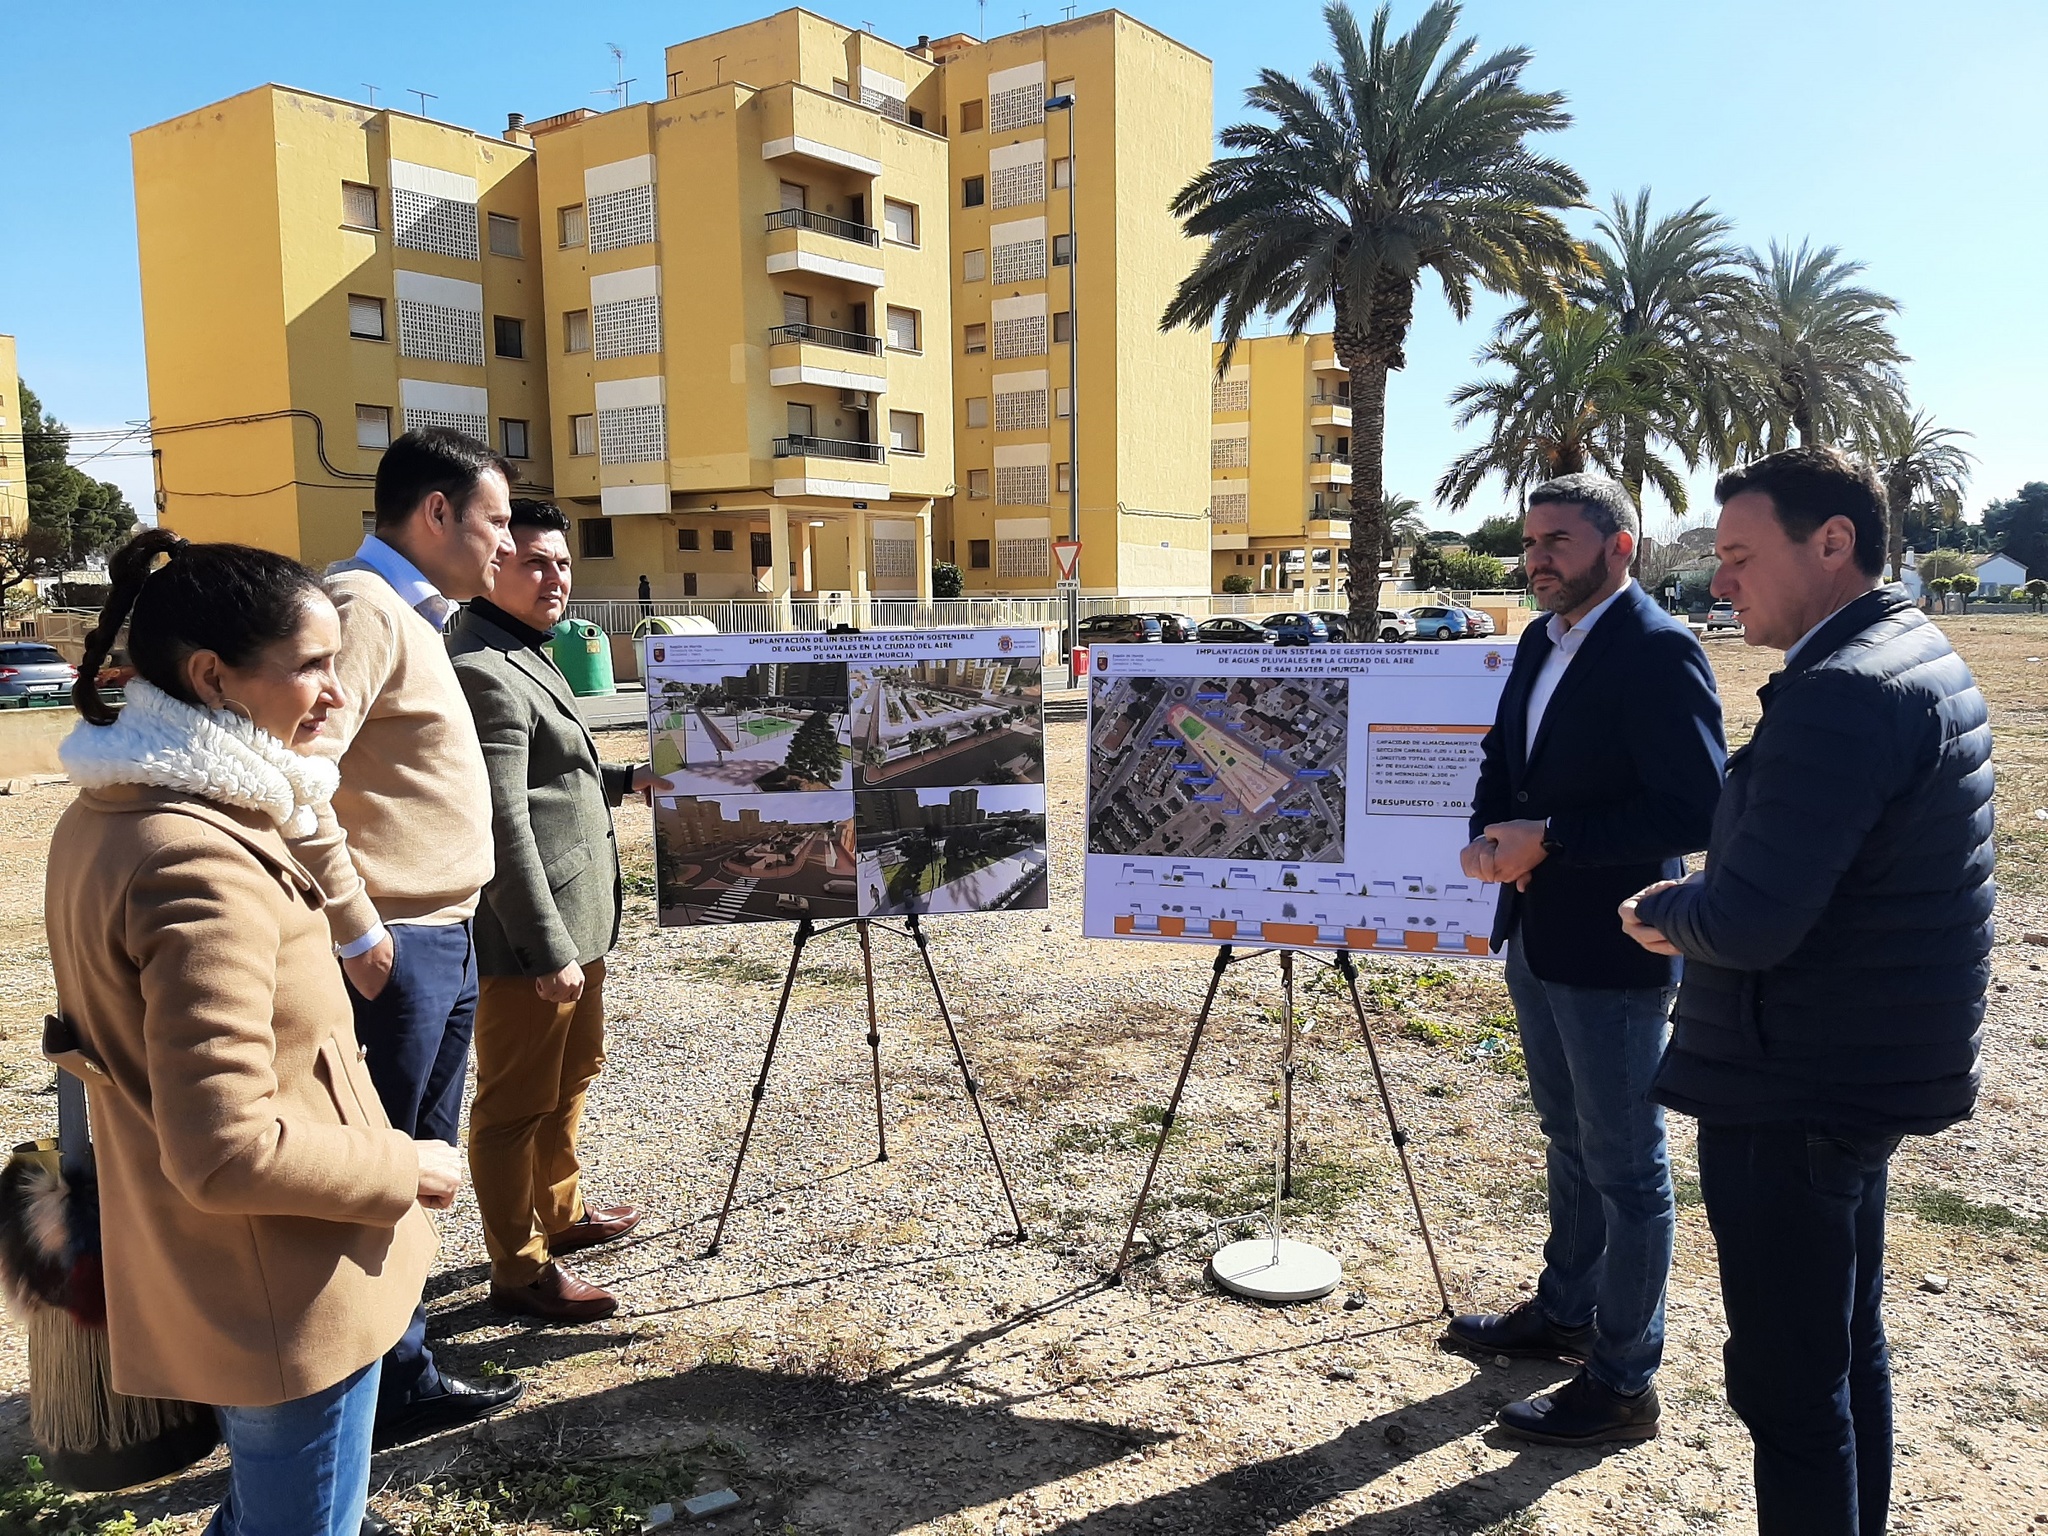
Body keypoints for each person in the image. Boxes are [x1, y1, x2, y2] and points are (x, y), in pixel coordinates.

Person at [45, 530, 455, 1535]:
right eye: (311, 666)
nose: (336, 692)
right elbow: (227, 1150)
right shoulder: (198, 863)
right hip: (279, 1289)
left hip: (235, 1275)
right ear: (213, 678)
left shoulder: (128, 811)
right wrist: (405, 1168)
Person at [1622, 447, 1992, 1535]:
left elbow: (1748, 921)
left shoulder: (1838, 692)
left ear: (1831, 543)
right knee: (1840, 1352)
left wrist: (1663, 909)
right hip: (1852, 1067)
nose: (1719, 582)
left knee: (1786, 1389)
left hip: (1793, 1083)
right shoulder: (1905, 651)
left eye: (1738, 555)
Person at [1450, 473, 1726, 1445]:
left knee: (1626, 1168)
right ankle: (1563, 1314)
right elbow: (1502, 758)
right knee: (1566, 1138)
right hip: (1533, 933)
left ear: (1619, 547)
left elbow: (1694, 808)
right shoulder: (1539, 639)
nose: (1534, 560)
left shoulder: (1657, 650)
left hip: (1615, 948)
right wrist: (1492, 833)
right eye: (1528, 543)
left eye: (1556, 541)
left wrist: (1550, 837)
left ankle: (1621, 1382)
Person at [288, 427, 523, 1447]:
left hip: (442, 933)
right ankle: (347, 1394)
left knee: (418, 1165)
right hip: (396, 944)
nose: (506, 546)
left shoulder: (418, 616)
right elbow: (298, 779)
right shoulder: (361, 608)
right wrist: (352, 926)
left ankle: (402, 1373)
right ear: (435, 514)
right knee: (374, 1168)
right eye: (496, 521)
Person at [448, 500, 652, 1323]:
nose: (555, 577)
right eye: (535, 561)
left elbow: (551, 780)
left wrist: (629, 783)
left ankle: (559, 1216)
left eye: (563, 563)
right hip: (534, 940)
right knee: (513, 1104)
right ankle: (520, 1270)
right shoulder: (481, 668)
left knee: (571, 1077)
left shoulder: (529, 651)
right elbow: (500, 821)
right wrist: (543, 950)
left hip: (580, 920)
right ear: (491, 562)